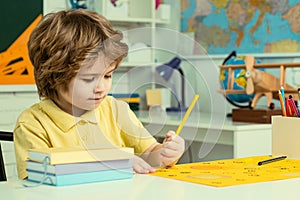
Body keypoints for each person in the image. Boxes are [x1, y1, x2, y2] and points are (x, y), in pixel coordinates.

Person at [14, 9, 185, 180]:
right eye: (89, 79)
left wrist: (165, 154)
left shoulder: (116, 110)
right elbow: (38, 181)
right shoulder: (32, 123)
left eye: (108, 75)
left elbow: (149, 154)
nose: (101, 87)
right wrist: (112, 163)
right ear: (55, 76)